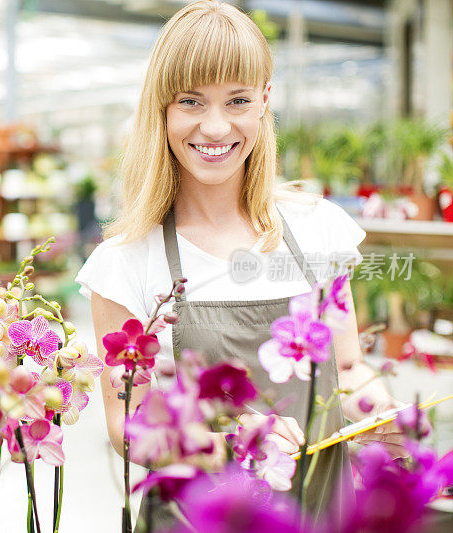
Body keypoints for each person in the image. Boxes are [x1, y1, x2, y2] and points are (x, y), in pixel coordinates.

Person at [74, 1, 403, 530]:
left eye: (238, 100)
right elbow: (128, 426)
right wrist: (228, 443)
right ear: (161, 108)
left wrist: (378, 415)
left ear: (264, 102)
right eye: (191, 101)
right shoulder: (125, 262)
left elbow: (350, 367)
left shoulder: (318, 228)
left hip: (323, 510)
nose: (215, 125)